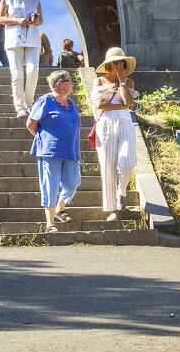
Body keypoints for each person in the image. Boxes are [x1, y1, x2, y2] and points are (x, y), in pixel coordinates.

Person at [27, 70, 81, 233]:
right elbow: (31, 124)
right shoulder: (44, 101)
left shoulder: (71, 104)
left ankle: (60, 207)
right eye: (69, 81)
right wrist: (46, 138)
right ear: (60, 84)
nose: (72, 84)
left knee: (72, 183)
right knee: (50, 187)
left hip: (71, 151)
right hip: (50, 151)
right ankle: (50, 224)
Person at [92, 46, 138, 222]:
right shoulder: (99, 82)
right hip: (106, 124)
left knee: (127, 161)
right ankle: (112, 209)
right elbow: (100, 105)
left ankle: (122, 191)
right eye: (116, 62)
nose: (119, 64)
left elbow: (128, 101)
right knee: (108, 168)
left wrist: (122, 81)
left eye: (122, 62)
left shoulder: (129, 82)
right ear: (109, 64)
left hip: (125, 122)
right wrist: (123, 106)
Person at [0, 0, 43, 116]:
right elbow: (0, 19)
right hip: (13, 39)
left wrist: (35, 21)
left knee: (33, 71)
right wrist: (16, 20)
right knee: (17, 74)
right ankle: (19, 107)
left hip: (32, 39)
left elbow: (40, 20)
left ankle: (29, 102)